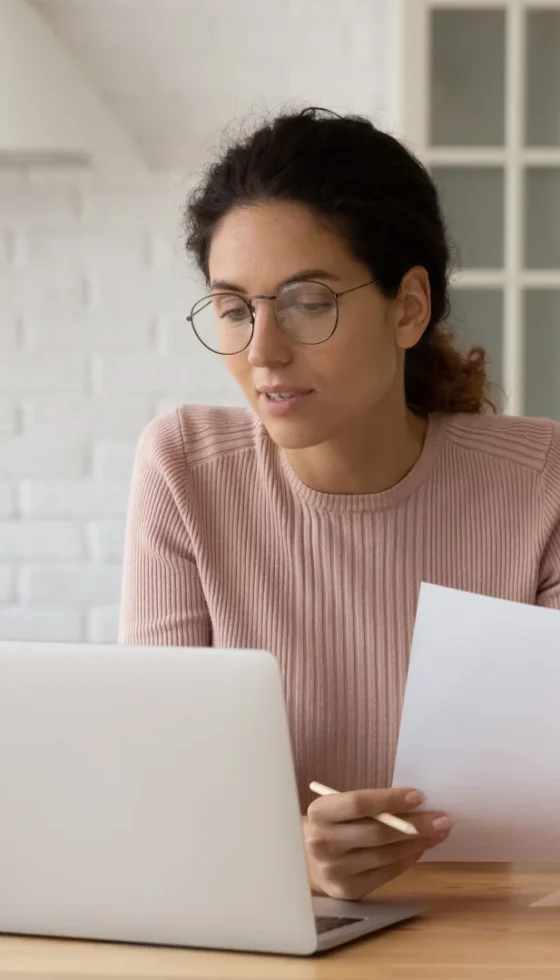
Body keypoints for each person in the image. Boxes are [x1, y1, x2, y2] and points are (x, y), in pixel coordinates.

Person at [119, 107, 560, 901]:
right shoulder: (185, 469)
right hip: (264, 936)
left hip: (499, 932)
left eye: (306, 301)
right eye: (233, 308)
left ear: (409, 308)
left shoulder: (539, 481)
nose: (262, 351)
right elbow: (158, 793)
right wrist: (296, 857)